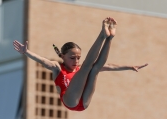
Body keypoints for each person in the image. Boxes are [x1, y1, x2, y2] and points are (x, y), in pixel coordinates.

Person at [13, 17, 148, 111]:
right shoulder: (57, 68)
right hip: (70, 101)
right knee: (87, 67)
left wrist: (130, 67)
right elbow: (43, 61)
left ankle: (110, 38)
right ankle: (102, 35)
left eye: (78, 58)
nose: (76, 61)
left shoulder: (79, 69)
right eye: (72, 58)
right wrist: (27, 52)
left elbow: (109, 66)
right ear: (63, 56)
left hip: (83, 104)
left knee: (95, 69)